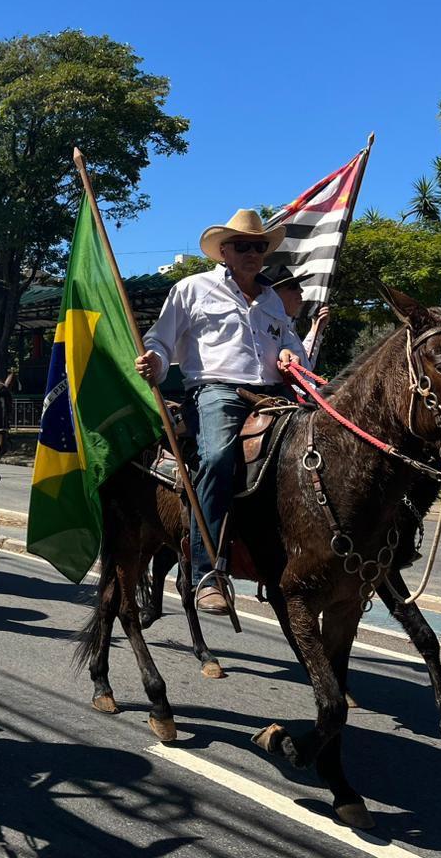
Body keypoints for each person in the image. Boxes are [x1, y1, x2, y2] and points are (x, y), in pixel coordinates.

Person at [135, 209, 304, 614]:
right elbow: (160, 340)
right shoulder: (191, 289)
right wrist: (155, 363)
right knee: (216, 458)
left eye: (259, 246)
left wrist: (288, 354)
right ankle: (208, 572)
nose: (252, 252)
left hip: (272, 393)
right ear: (224, 251)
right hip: (216, 390)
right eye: (243, 246)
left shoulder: (274, 303)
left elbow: (295, 349)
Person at [264, 264, 331, 370]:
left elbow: (305, 366)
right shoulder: (263, 326)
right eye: (293, 287)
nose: (301, 291)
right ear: (273, 294)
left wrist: (316, 330)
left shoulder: (287, 325)